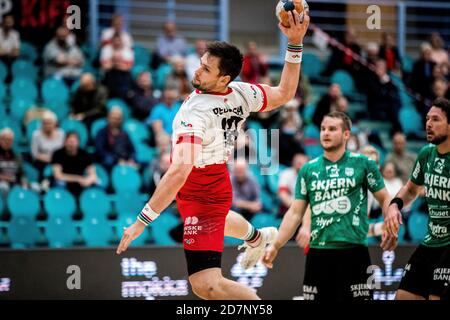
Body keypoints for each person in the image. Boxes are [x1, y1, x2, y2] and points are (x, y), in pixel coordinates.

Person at [116, 11, 310, 300]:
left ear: (224, 79)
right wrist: (294, 44)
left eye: (206, 69)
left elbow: (179, 172)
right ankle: (258, 237)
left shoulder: (196, 114)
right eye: (201, 64)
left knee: (206, 285)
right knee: (216, 219)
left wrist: (141, 222)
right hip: (211, 179)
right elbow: (283, 93)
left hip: (203, 186)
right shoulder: (242, 93)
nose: (197, 71)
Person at [263, 111, 399, 301]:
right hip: (318, 255)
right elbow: (294, 213)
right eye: (323, 129)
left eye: (332, 129)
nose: (325, 133)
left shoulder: (364, 164)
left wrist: (390, 225)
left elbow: (385, 198)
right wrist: (276, 245)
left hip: (354, 253)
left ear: (346, 135)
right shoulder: (308, 169)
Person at [388, 98, 450, 300]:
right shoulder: (426, 154)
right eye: (427, 119)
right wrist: (394, 206)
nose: (428, 124)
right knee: (403, 296)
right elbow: (411, 189)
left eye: (436, 119)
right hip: (431, 241)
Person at [52, 132, 97, 197]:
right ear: (65, 142)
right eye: (69, 141)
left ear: (78, 142)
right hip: (65, 181)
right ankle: (62, 205)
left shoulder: (85, 155)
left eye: (73, 142)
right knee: (60, 183)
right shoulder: (58, 154)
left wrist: (88, 180)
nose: (71, 144)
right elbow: (58, 175)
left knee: (96, 184)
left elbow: (93, 175)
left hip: (80, 182)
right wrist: (78, 179)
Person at [31, 111, 65, 177]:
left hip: (58, 162)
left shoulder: (61, 133)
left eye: (49, 123)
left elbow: (63, 151)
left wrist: (56, 161)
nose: (47, 126)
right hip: (42, 163)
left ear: (55, 123)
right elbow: (35, 154)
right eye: (44, 123)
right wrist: (52, 160)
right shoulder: (36, 134)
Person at [0, 128, 23, 195]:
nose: (7, 142)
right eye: (5, 139)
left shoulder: (16, 155)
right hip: (2, 183)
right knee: (4, 187)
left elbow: (21, 173)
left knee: (32, 187)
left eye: (10, 140)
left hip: (14, 182)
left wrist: (24, 180)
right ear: (0, 140)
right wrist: (7, 178)